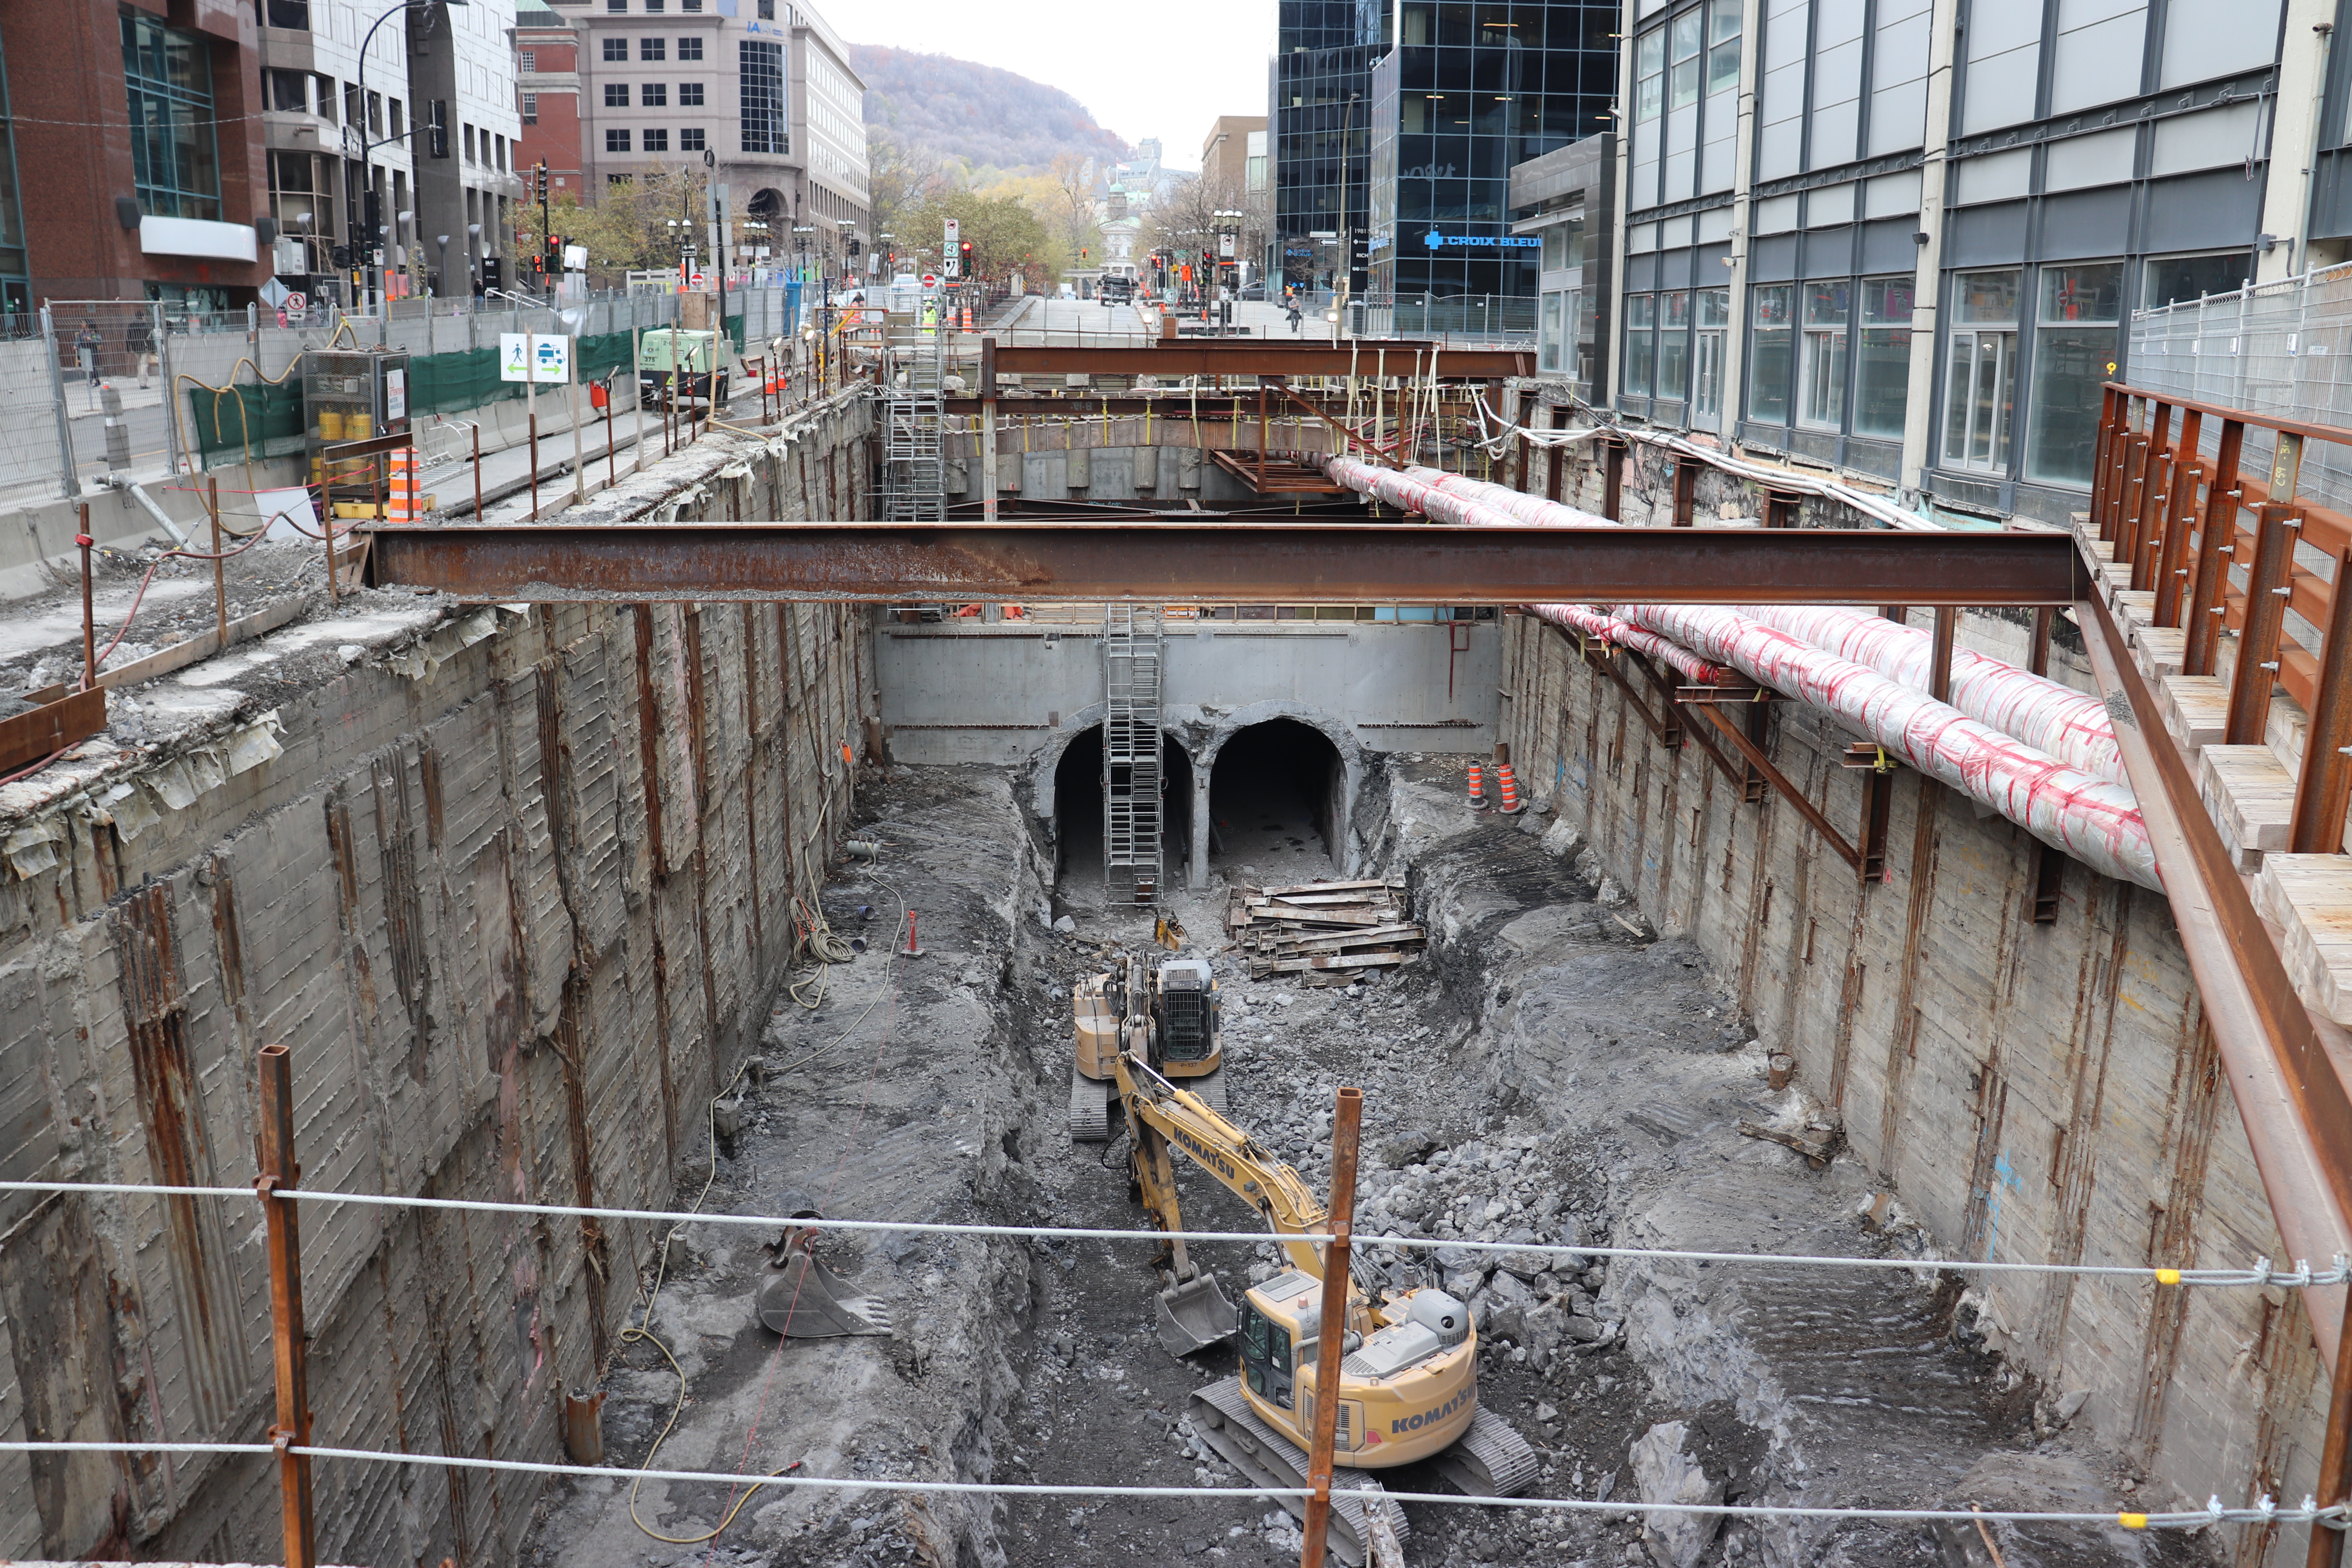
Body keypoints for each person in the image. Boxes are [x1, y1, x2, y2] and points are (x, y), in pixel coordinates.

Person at [74, 318, 102, 406]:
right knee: (88, 366)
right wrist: (75, 345)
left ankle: (90, 381)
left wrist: (91, 340)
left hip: (92, 350)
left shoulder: (93, 333)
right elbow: (78, 340)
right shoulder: (81, 333)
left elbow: (99, 341)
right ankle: (97, 381)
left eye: (83, 323)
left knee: (92, 365)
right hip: (84, 350)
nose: (82, 324)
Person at [127, 313, 156, 388]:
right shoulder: (146, 326)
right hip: (145, 348)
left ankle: (141, 381)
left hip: (135, 348)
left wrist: (128, 350)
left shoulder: (131, 326)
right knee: (144, 365)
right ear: (143, 317)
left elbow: (128, 338)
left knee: (139, 365)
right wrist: (153, 349)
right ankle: (143, 383)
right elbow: (150, 339)